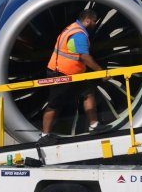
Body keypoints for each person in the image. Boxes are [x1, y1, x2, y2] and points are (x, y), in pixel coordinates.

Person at [40, 8, 105, 142]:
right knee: (54, 104)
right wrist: (100, 71)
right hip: (60, 74)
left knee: (88, 93)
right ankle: (44, 135)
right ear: (87, 20)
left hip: (76, 74)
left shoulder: (72, 28)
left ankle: (94, 125)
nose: (95, 24)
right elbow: (84, 57)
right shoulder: (79, 34)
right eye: (94, 21)